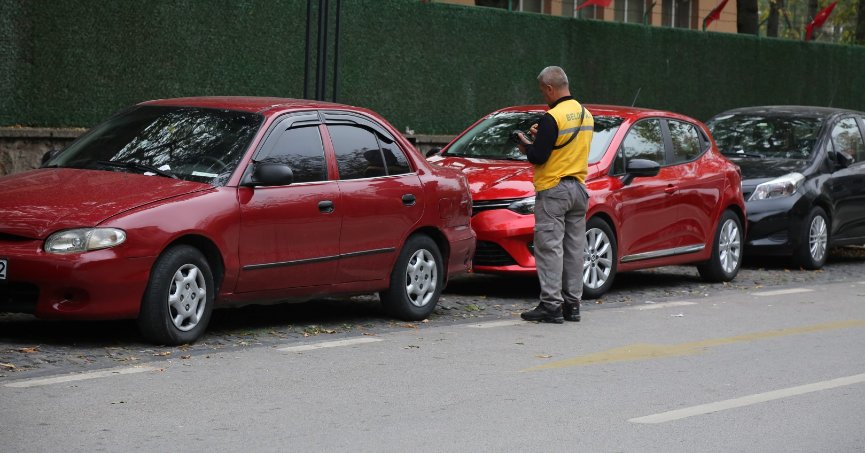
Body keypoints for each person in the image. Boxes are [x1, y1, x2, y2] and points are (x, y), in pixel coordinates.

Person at [515, 66, 593, 324]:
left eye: (543, 91)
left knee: (550, 248)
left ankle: (551, 306)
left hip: (554, 189)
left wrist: (526, 145)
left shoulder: (552, 117)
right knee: (574, 249)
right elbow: (565, 147)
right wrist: (542, 139)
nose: (543, 96)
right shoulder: (586, 114)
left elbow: (539, 156)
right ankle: (573, 305)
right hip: (579, 189)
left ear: (549, 88)